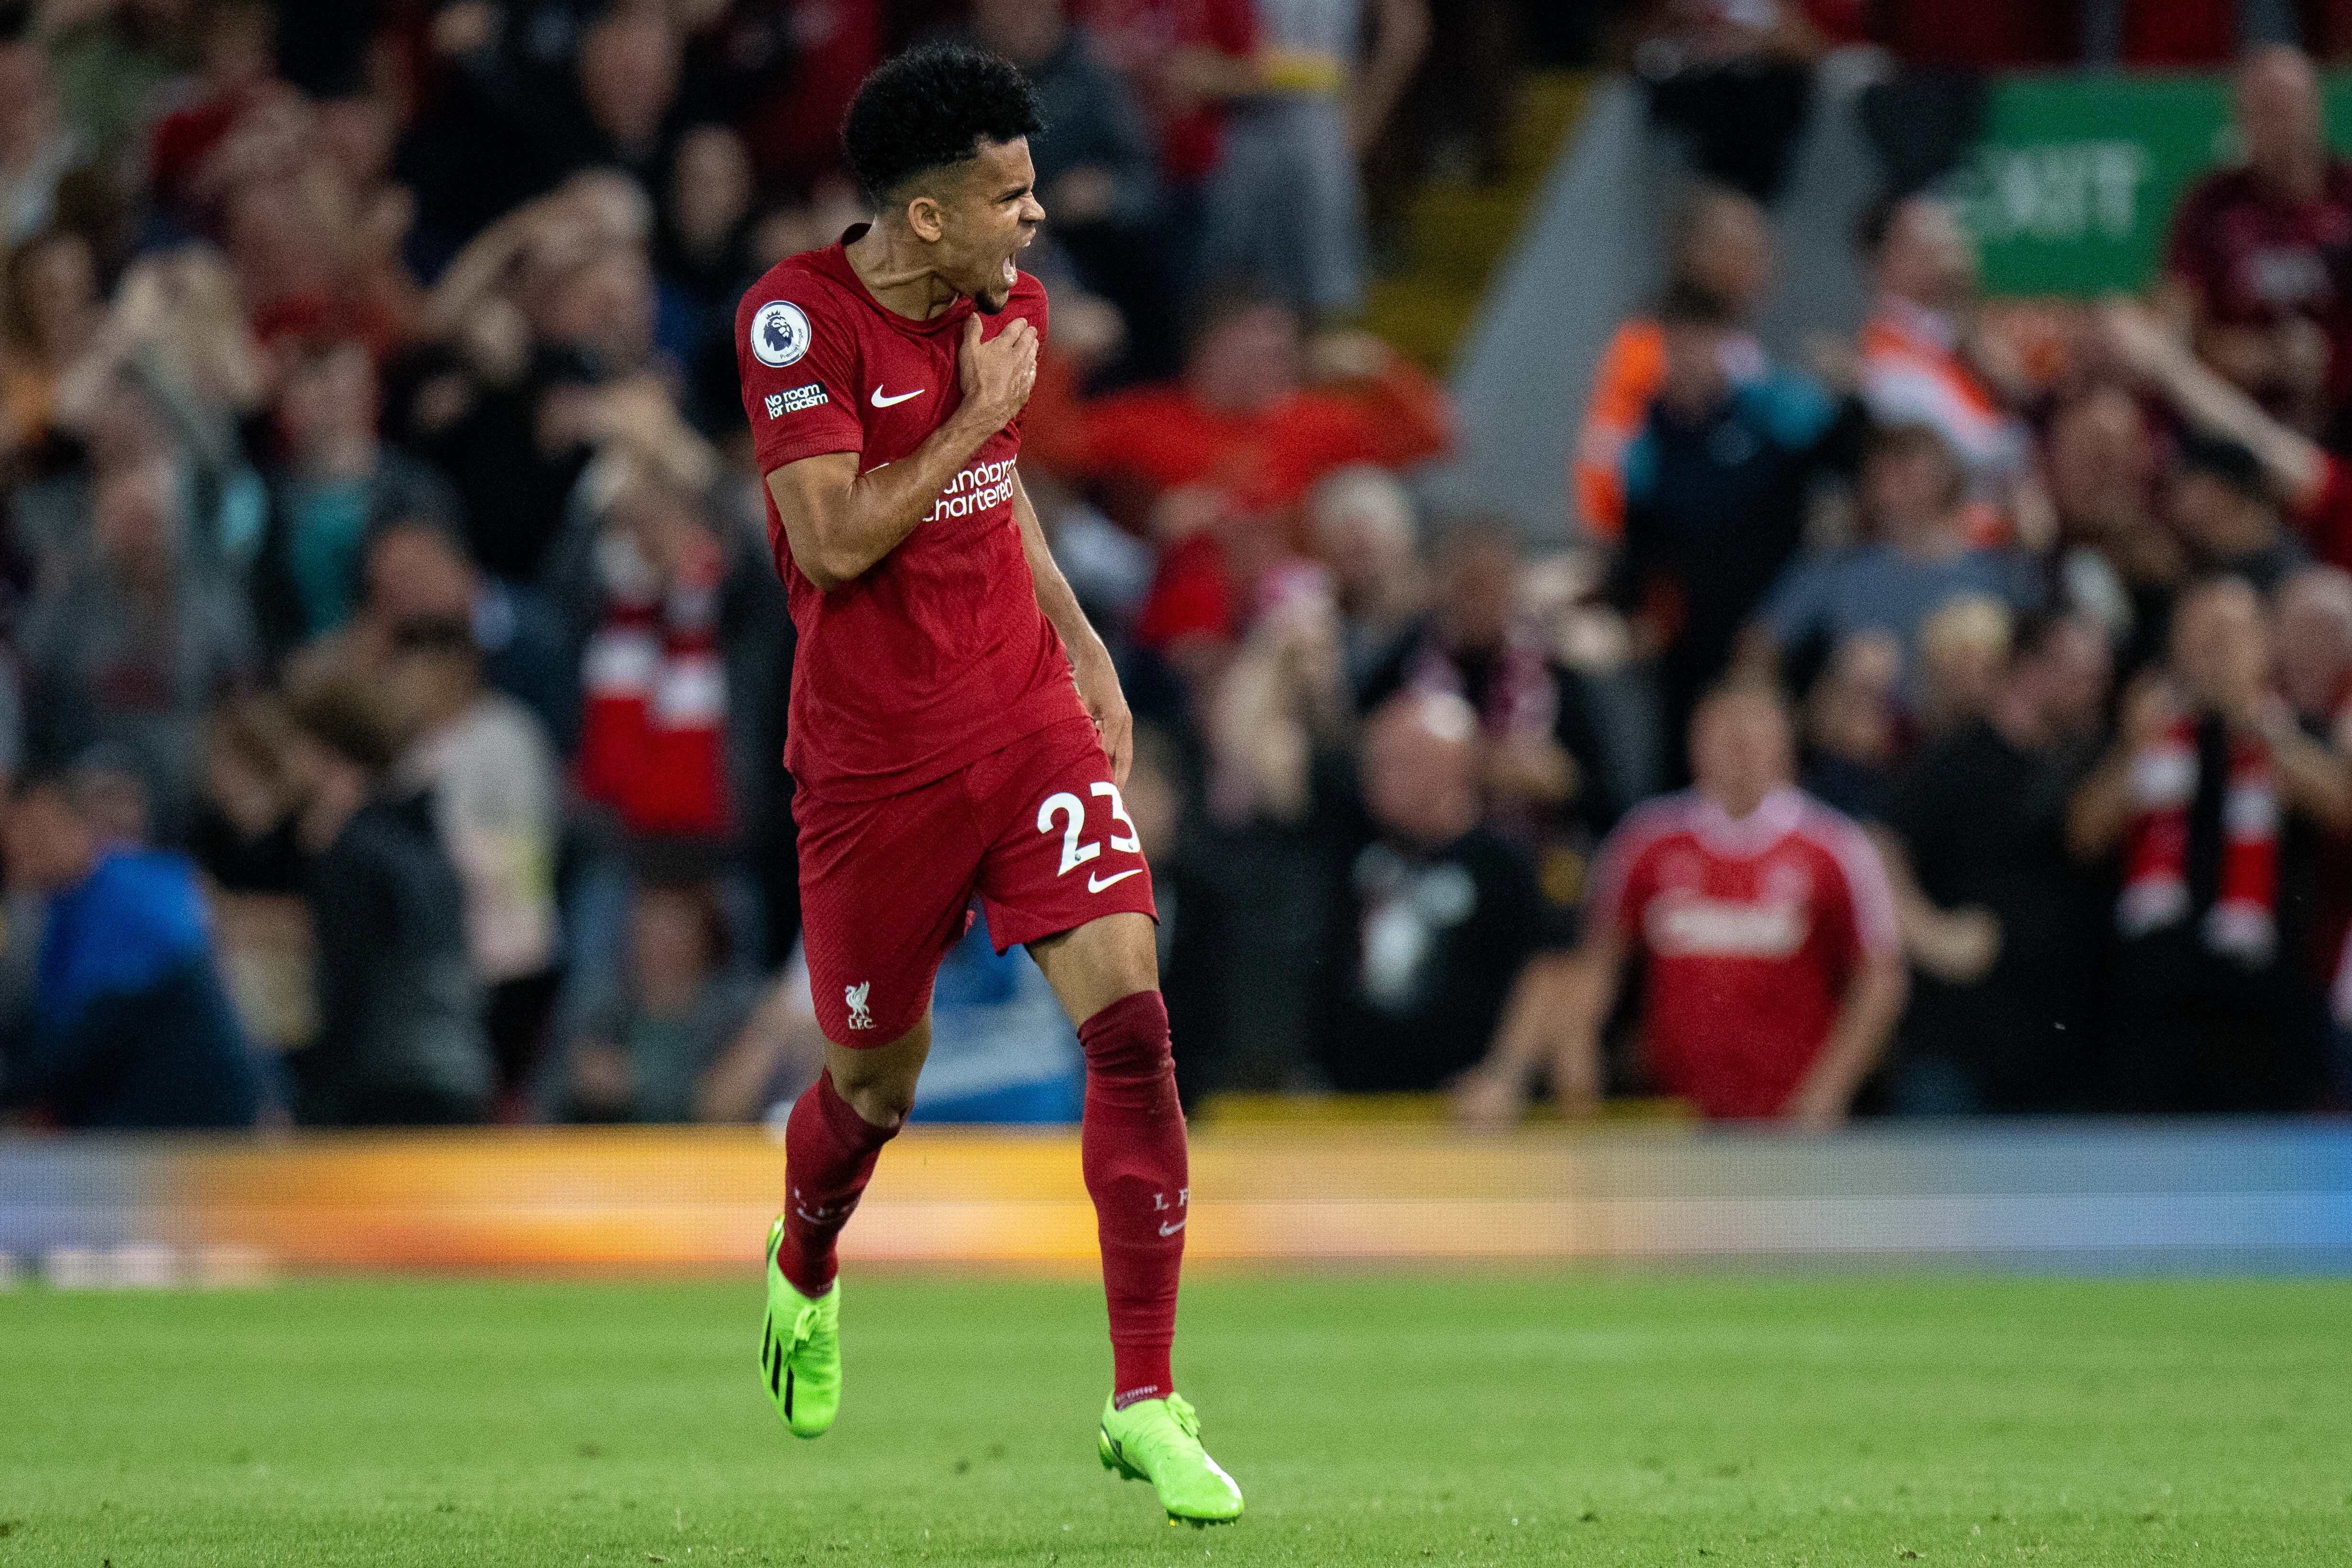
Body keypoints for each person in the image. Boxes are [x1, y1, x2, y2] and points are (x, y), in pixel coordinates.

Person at [730, 44, 1240, 1523]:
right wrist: (966, 413)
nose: (1033, 221)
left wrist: (1081, 641)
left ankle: (1142, 1396)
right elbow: (828, 542)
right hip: (874, 767)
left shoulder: (993, 307)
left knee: (1132, 1027)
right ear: (927, 216)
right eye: (1006, 195)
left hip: (1020, 718)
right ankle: (804, 1262)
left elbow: (989, 478)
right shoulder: (793, 320)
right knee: (870, 1085)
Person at [1534, 681, 1908, 1125]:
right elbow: (1598, 965)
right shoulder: (1647, 839)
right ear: (1695, 741)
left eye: (1754, 732)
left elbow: (1880, 980)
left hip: (1791, 1118)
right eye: (1724, 731)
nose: (1739, 747)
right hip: (1670, 1114)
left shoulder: (1836, 845)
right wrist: (1577, 1055)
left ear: (1785, 743)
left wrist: (1828, 1090)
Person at [2068, 577, 2351, 1112]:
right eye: (2201, 634)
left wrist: (2265, 734)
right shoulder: (2139, 729)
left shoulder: (2294, 728)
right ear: (2175, 644)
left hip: (2265, 1005)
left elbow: (2340, 809)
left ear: (2263, 644)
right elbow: (2083, 834)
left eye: (2231, 634)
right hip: (2152, 1005)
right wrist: (2135, 746)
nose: (2216, 649)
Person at [1872, 615, 2112, 1114]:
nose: (2091, 691)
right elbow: (1874, 846)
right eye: (2077, 675)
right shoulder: (1953, 760)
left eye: (2097, 678)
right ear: (2027, 669)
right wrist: (1928, 933)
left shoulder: (2088, 762)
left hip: (2063, 1052)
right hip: (1958, 1047)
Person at [0, 768, 269, 1129]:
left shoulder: (136, 894)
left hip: (193, 1135)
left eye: (15, 829)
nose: (11, 848)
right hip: (142, 1126)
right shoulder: (63, 912)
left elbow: (77, 1047)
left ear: (46, 813)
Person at [2160, 45, 2352, 437]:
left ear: (2316, 110)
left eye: (2287, 108)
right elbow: (2177, 333)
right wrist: (2261, 356)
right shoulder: (2210, 206)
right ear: (2240, 122)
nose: (2279, 125)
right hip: (2240, 420)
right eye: (2263, 111)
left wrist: (2331, 359)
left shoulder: (2346, 196)